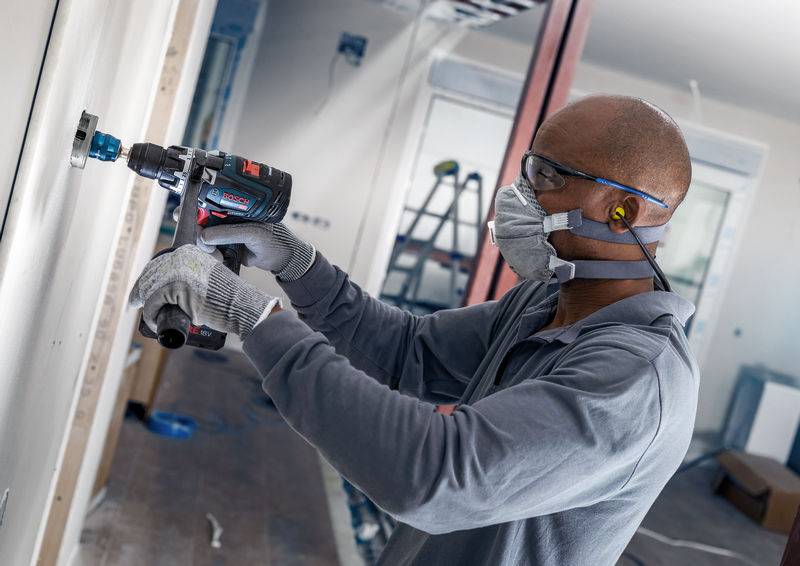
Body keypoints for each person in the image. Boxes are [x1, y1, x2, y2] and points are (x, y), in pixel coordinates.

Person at [129, 94, 698, 565]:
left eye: (547, 175)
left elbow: (431, 475)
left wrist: (252, 317)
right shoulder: (543, 301)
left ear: (623, 211)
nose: (522, 191)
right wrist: (293, 262)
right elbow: (407, 353)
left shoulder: (636, 381)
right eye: (530, 166)